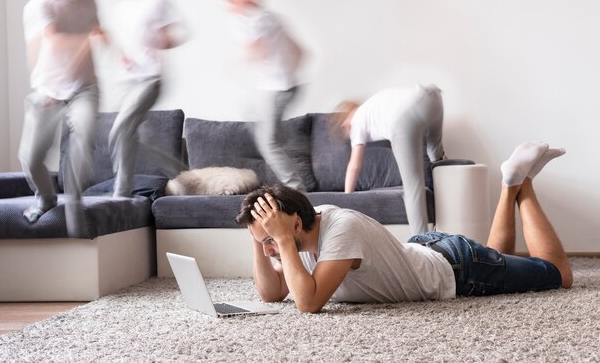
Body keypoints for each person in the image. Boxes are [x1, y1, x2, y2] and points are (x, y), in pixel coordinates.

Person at [235, 141, 572, 313]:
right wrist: (257, 240)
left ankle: (522, 181)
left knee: (558, 275)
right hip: (427, 249)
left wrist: (281, 239)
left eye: (272, 239)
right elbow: (272, 293)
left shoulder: (340, 228)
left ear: (294, 224)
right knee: (497, 257)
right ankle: (511, 181)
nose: (270, 249)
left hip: (458, 269)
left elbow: (308, 303)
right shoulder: (301, 231)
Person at [19, 0, 103, 237]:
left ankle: (75, 201)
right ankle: (45, 197)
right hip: (48, 90)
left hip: (84, 88)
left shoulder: (89, 1)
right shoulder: (39, 6)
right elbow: (52, 41)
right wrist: (42, 89)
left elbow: (94, 37)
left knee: (85, 132)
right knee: (30, 157)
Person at [108, 0, 187, 197]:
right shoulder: (121, 8)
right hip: (127, 81)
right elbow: (122, 43)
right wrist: (119, 54)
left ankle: (121, 192)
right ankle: (185, 177)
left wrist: (164, 40)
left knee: (120, 129)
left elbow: (180, 33)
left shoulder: (157, 1)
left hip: (150, 79)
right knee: (140, 138)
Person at [225, 0, 306, 192]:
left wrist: (244, 55)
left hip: (277, 87)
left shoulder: (257, 20)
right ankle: (297, 162)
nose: (232, 2)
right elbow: (301, 51)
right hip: (282, 85)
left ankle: (298, 191)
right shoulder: (269, 17)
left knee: (268, 142)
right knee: (262, 126)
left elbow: (257, 49)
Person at [335, 84, 445, 235]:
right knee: (435, 153)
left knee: (413, 186)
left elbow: (354, 165)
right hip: (433, 97)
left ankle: (422, 241)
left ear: (345, 122)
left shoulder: (356, 121)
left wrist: (347, 198)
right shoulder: (373, 106)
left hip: (403, 119)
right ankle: (441, 164)